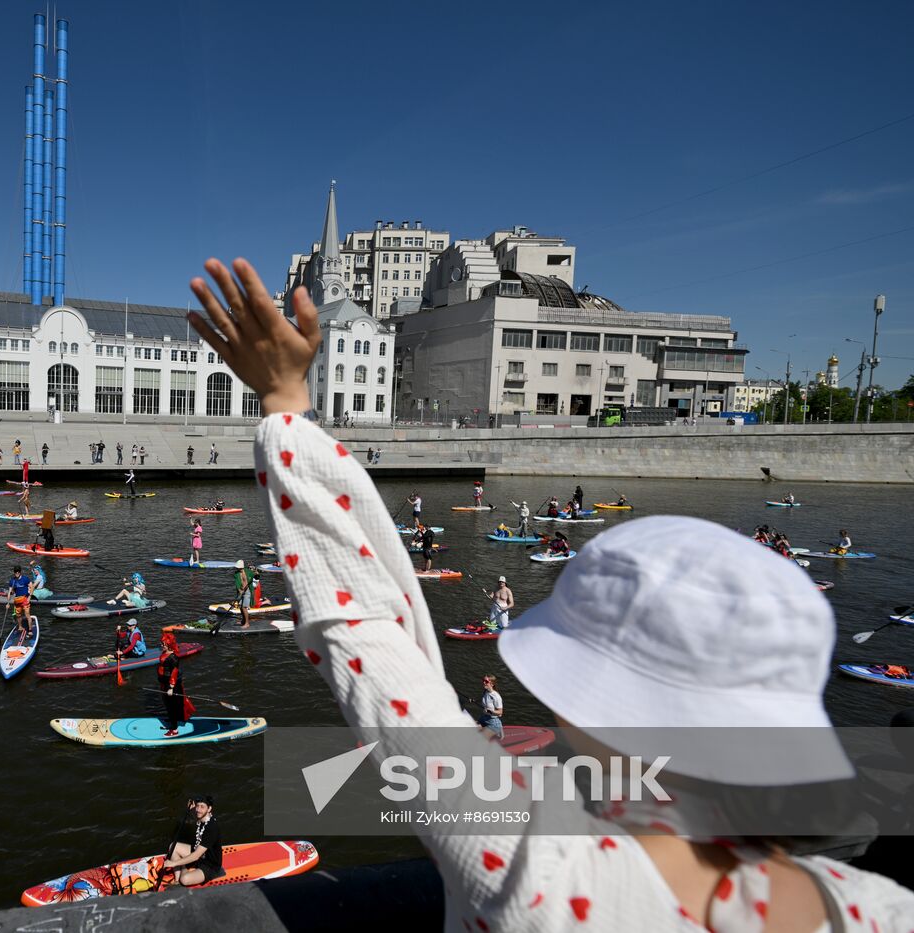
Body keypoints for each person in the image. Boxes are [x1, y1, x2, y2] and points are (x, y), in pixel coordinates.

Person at [190, 256, 914, 926]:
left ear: (603, 708)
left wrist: (286, 403)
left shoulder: (536, 865)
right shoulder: (876, 905)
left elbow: (367, 638)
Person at [164, 796, 224, 886]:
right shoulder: (202, 818)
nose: (198, 810)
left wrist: (173, 863)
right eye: (197, 806)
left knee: (184, 879)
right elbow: (197, 817)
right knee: (173, 846)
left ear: (209, 809)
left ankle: (182, 869)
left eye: (202, 807)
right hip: (200, 856)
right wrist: (191, 809)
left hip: (210, 866)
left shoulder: (211, 828)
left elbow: (195, 856)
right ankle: (176, 881)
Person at [155, 632, 190, 737]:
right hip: (164, 684)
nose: (161, 645)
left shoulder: (173, 658)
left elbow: (174, 673)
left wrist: (171, 687)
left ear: (168, 645)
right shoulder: (166, 653)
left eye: (163, 644)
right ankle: (171, 724)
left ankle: (174, 730)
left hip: (171, 686)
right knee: (167, 705)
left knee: (172, 708)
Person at [7, 565, 34, 638]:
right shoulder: (12, 581)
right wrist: (8, 603)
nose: (17, 573)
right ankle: (20, 627)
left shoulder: (25, 579)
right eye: (15, 572)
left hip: (25, 599)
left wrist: (29, 597)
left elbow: (32, 587)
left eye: (18, 572)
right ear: (14, 572)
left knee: (27, 614)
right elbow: (9, 592)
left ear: (20, 572)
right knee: (18, 615)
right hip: (17, 600)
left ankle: (30, 630)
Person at [478, 674, 504, 739]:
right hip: (484, 718)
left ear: (492, 684)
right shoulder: (486, 691)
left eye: (486, 681)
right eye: (483, 680)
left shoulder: (496, 696)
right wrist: (474, 700)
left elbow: (500, 712)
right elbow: (486, 701)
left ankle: (499, 728)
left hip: (493, 722)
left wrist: (490, 711)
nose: (483, 682)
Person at [233, 559, 255, 629]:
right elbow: (237, 584)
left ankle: (247, 623)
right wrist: (240, 590)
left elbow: (255, 575)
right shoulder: (236, 574)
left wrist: (256, 571)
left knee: (244, 607)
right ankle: (243, 621)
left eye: (237, 567)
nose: (236, 568)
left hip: (247, 591)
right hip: (240, 591)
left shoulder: (249, 572)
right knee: (240, 607)